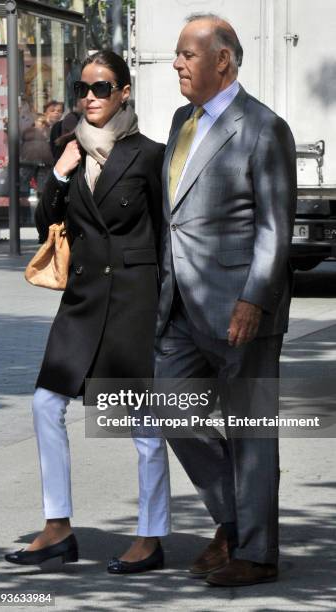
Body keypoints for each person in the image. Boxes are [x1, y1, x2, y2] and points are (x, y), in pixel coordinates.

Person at [5, 51, 171, 573]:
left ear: (124, 92)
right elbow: (45, 223)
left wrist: (168, 311)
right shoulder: (69, 151)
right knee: (44, 405)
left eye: (102, 87)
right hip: (81, 304)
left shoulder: (149, 155)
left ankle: (150, 536)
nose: (90, 98)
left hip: (132, 304)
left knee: (142, 424)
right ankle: (58, 529)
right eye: (82, 89)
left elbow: (168, 237)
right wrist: (58, 171)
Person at [153, 13, 297, 586]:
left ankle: (256, 555)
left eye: (189, 54)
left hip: (242, 308)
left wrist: (254, 301)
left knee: (251, 430)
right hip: (181, 306)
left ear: (224, 60)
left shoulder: (264, 128)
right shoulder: (179, 121)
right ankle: (237, 522)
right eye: (178, 53)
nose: (177, 64)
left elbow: (274, 227)